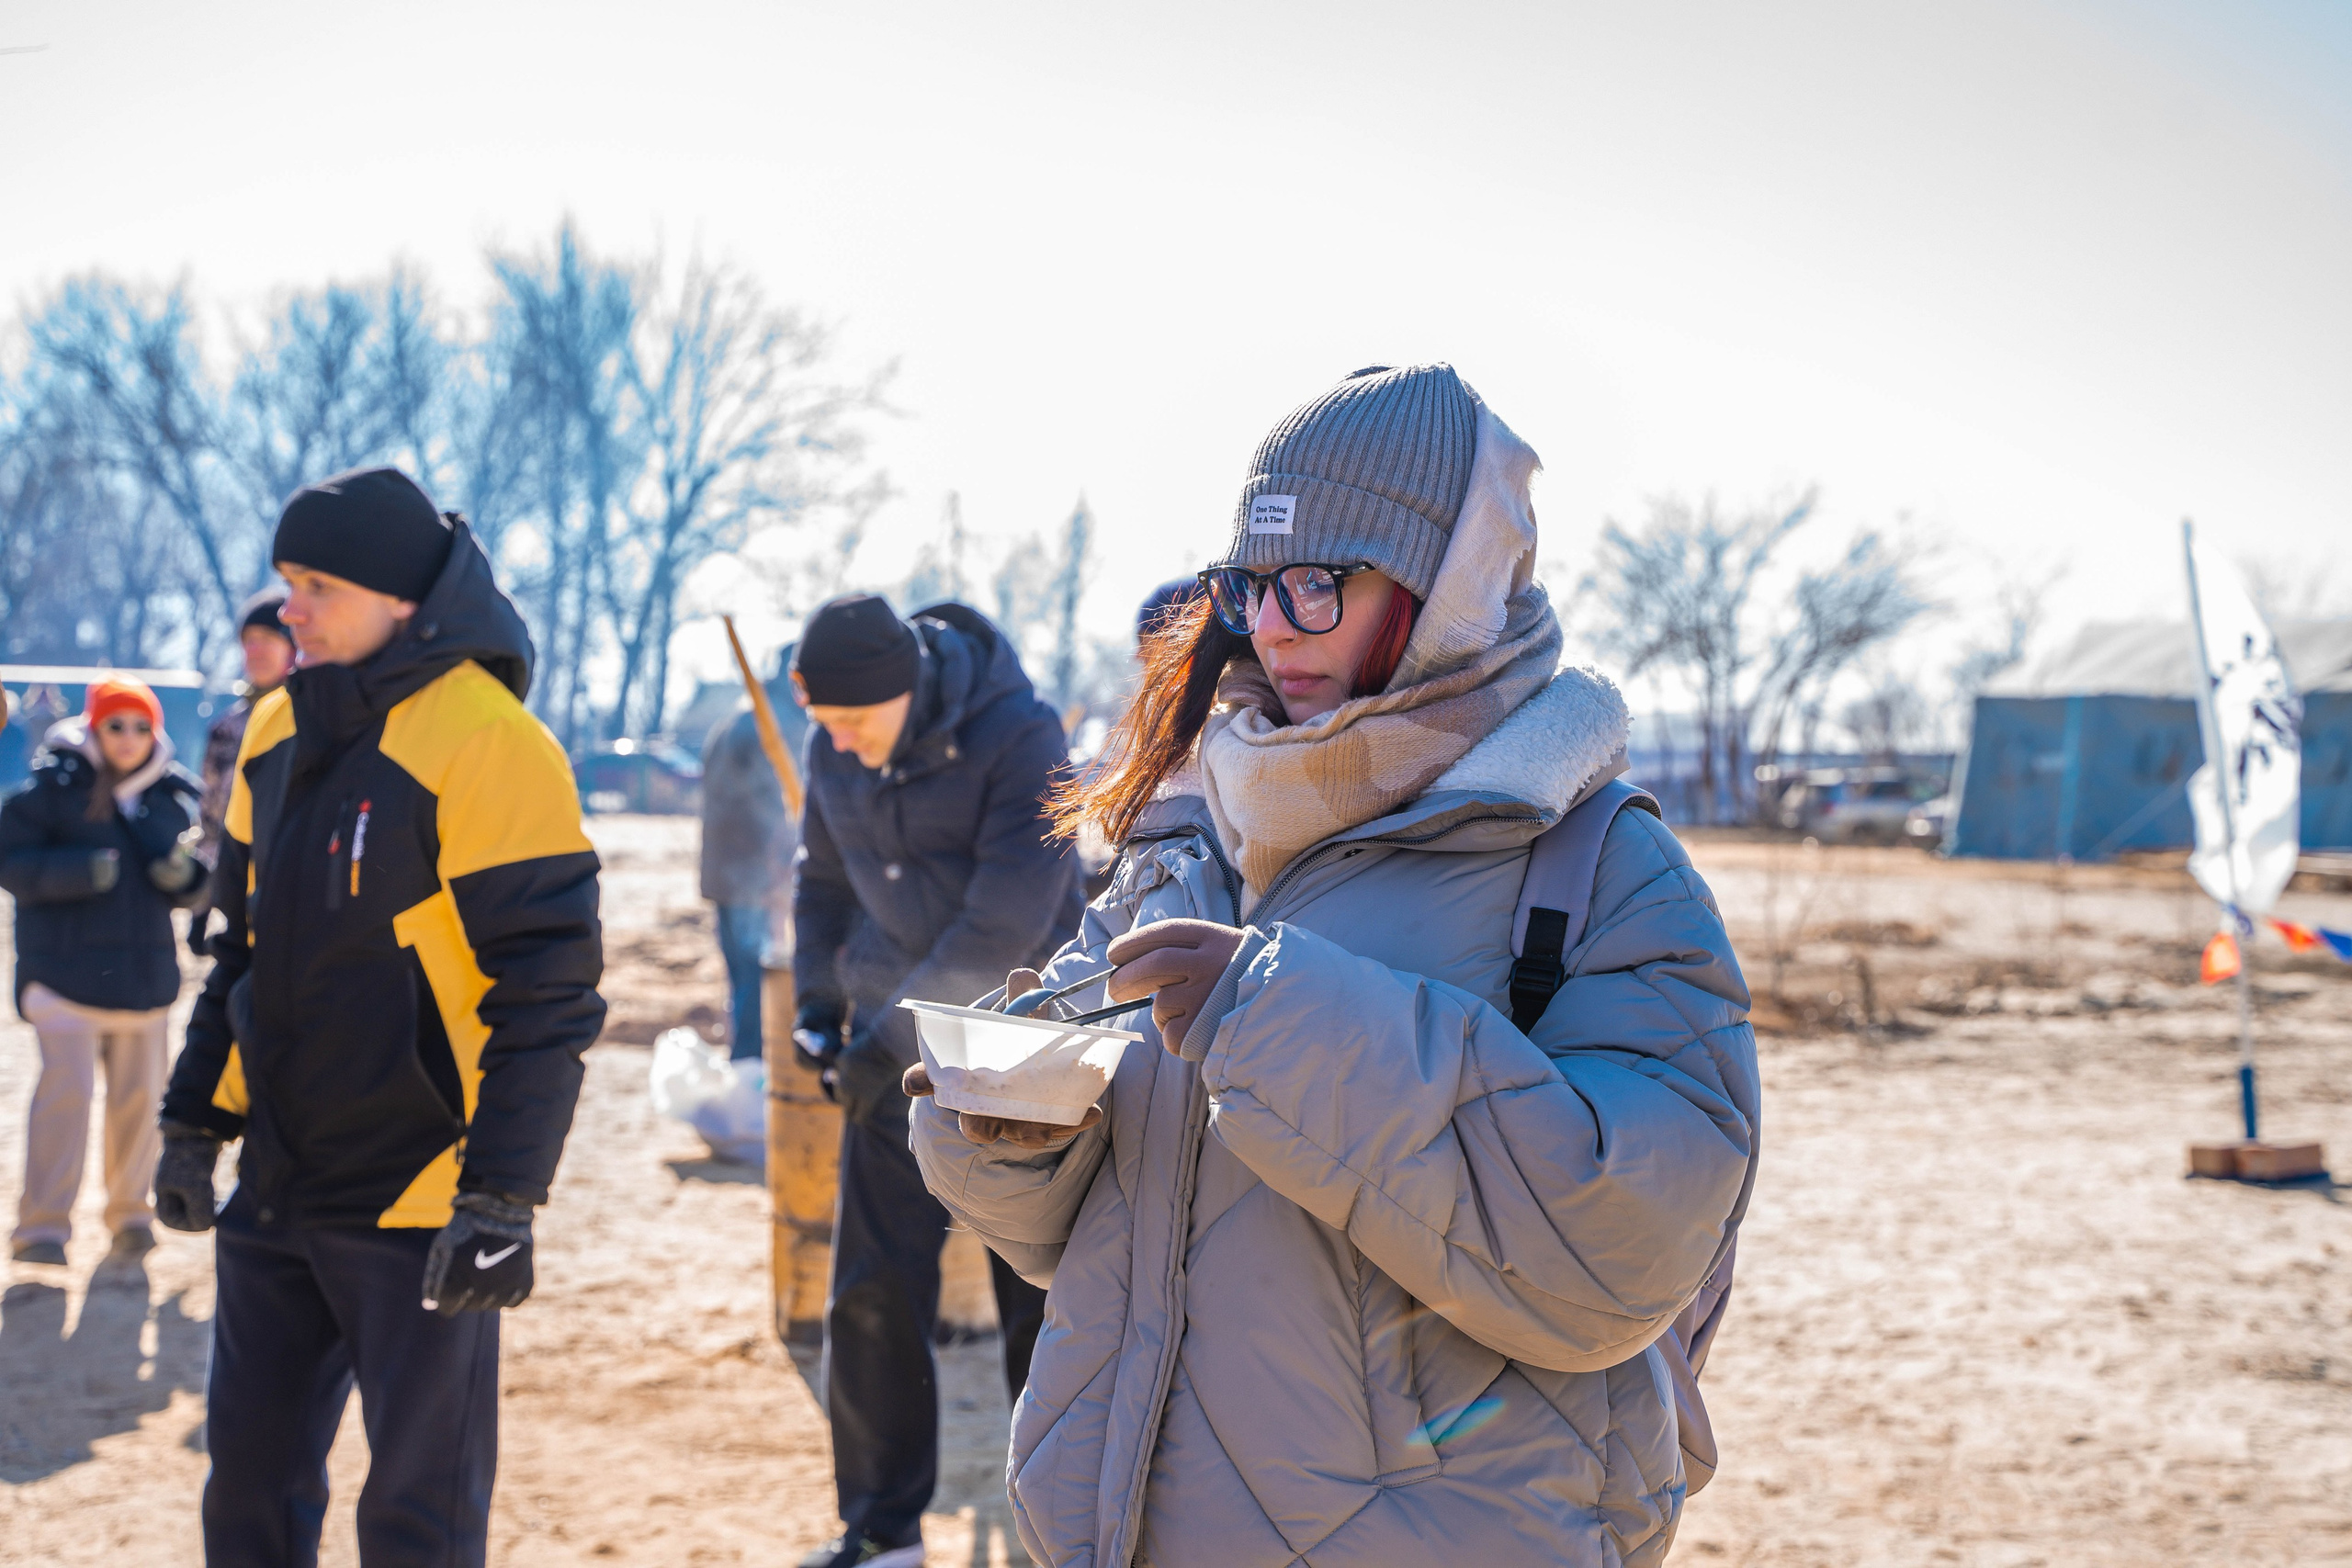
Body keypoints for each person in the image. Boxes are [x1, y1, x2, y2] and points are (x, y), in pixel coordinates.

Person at [907, 364, 1760, 1568]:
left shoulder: (1593, 860)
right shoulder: (1187, 835)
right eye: (1251, 585)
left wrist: (1281, 1019)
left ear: (1446, 590)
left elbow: (1627, 1247)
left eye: (1317, 584)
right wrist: (1001, 1134)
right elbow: (1076, 1236)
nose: (1268, 626)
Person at [153, 466, 605, 1566]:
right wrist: (194, 1123)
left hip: (423, 1200)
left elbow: (546, 992)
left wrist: (501, 1198)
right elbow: (241, 953)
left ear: (403, 598)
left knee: (417, 1522)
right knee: (247, 1496)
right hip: (277, 1187)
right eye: (287, 582)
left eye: (318, 586)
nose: (290, 610)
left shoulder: (489, 739)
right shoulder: (273, 729)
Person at [787, 592, 1080, 1568]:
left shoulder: (1022, 738)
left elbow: (1004, 923)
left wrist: (881, 1045)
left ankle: (1065, 1530)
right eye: (825, 722)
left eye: (854, 720)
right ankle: (881, 1529)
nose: (840, 741)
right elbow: (821, 880)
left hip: (1024, 1049)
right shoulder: (835, 745)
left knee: (1040, 1302)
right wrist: (817, 1004)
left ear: (906, 687)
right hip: (888, 1050)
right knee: (870, 1291)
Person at [3, 676, 207, 1266]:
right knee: (64, 1100)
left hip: (143, 982)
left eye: (142, 726)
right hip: (64, 979)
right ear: (94, 727)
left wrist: (188, 881)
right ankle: (42, 1230)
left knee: (140, 1104)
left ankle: (131, 1217)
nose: (128, 737)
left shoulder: (169, 796)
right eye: (116, 724)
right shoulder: (52, 787)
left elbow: (198, 880)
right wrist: (77, 872)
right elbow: (8, 859)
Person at [699, 647, 808, 1063]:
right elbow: (778, 809)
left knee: (743, 975)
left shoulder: (737, 720)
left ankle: (744, 1062)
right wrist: (782, 868)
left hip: (728, 874)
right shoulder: (772, 728)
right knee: (760, 977)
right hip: (754, 877)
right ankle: (753, 1065)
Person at [198, 586, 298, 863]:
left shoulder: (311, 718)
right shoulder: (226, 729)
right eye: (248, 641)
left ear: (293, 646)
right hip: (230, 868)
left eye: (267, 638)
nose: (255, 650)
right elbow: (209, 818)